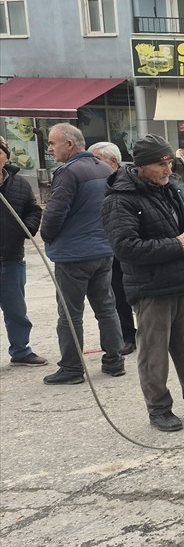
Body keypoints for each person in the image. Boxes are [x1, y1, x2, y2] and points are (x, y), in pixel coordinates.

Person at [103, 134, 184, 432]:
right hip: (150, 288)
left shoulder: (168, 188)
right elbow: (125, 247)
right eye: (159, 164)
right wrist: (177, 246)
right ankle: (159, 409)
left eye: (168, 163)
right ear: (140, 166)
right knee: (154, 352)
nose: (167, 169)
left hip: (178, 281)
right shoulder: (120, 200)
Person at [40, 123, 125, 384]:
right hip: (102, 250)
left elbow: (54, 213)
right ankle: (114, 361)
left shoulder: (68, 172)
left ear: (69, 144)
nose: (50, 149)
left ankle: (72, 368)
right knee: (106, 308)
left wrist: (47, 235)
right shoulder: (103, 167)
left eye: (53, 143)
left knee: (70, 314)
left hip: (74, 254)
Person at [0, 135, 47, 367]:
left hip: (10, 258)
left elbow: (33, 209)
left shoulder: (19, 183)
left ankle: (20, 351)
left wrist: (28, 228)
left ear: (5, 156)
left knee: (16, 309)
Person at [89, 142, 138, 355]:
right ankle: (126, 335)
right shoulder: (94, 182)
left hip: (130, 243)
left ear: (113, 162)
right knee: (114, 293)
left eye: (96, 160)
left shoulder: (129, 181)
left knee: (134, 291)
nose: (93, 165)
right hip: (105, 244)